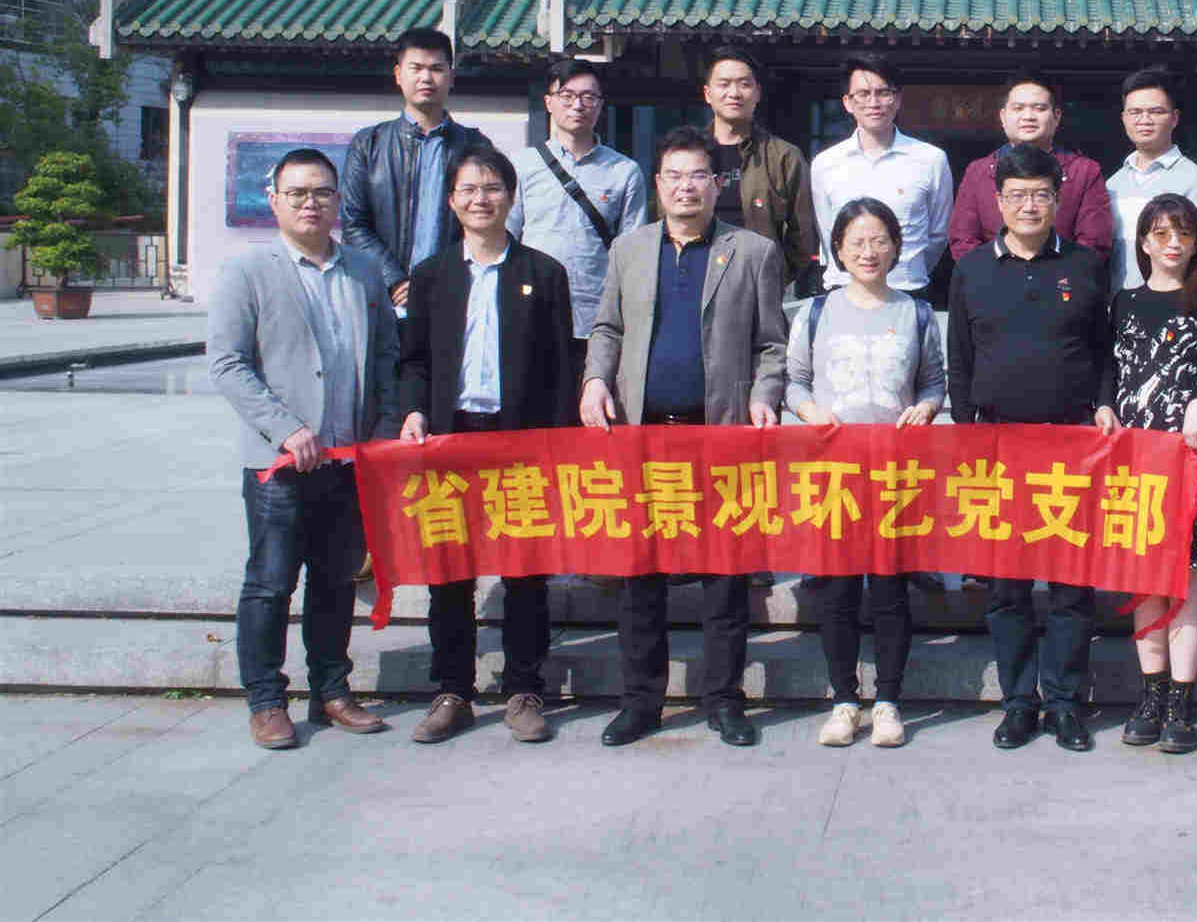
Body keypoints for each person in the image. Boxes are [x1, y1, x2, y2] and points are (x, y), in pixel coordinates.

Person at [582, 127, 787, 750]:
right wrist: (595, 379)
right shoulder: (629, 249)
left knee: (725, 577)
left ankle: (724, 700)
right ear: (657, 184)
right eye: (673, 176)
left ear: (717, 184)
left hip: (719, 436)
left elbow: (772, 344)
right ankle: (640, 701)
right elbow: (607, 327)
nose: (686, 187)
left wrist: (764, 395)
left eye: (698, 175)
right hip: (644, 438)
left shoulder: (752, 252)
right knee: (640, 577)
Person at [208, 148, 399, 750]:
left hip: (348, 460)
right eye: (297, 193)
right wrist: (285, 428)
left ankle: (332, 690)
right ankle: (266, 700)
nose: (310, 203)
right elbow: (228, 363)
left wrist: (385, 427)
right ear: (274, 201)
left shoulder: (363, 270)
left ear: (338, 200)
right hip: (281, 466)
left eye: (321, 192)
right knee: (270, 584)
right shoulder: (247, 272)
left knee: (336, 582)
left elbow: (387, 356)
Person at [398, 145, 576, 744]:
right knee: (449, 570)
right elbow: (414, 360)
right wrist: (414, 411)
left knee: (525, 571)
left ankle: (524, 689)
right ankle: (452, 690)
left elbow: (561, 368)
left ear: (510, 196)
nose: (481, 199)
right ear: (452, 201)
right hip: (450, 440)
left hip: (518, 441)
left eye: (493, 187)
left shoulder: (543, 274)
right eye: (469, 189)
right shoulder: (431, 276)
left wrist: (556, 443)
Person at [947, 143, 1112, 753]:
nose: (1029, 206)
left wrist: (1103, 404)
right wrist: (966, 429)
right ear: (997, 202)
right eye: (1017, 195)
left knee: (1071, 584)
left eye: (1041, 194)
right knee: (1006, 587)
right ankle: (1019, 702)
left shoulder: (1085, 266)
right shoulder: (972, 270)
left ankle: (1065, 703)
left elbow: (1104, 351)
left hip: (1070, 443)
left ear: (1058, 198)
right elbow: (959, 358)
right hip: (997, 445)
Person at [785, 198, 946, 750]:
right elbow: (795, 381)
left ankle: (889, 701)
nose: (868, 251)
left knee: (890, 589)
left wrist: (926, 407)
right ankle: (843, 699)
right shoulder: (815, 312)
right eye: (856, 242)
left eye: (879, 240)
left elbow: (933, 380)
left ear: (897, 247)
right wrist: (810, 411)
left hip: (895, 473)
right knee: (837, 589)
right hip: (834, 472)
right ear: (838, 250)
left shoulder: (915, 313)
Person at [1096, 195, 1197, 754]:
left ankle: (1182, 704)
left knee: (1185, 583)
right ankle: (1152, 695)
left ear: (1196, 243)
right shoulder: (1124, 302)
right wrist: (1104, 404)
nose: (1172, 243)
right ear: (1143, 242)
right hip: (1136, 465)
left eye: (1182, 233)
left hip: (1191, 466)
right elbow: (1108, 369)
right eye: (1160, 233)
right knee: (1145, 582)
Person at [506, 58, 647, 418]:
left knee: (592, 421)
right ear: (548, 102)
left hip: (596, 322)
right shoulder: (521, 166)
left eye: (588, 96)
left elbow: (634, 257)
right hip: (532, 316)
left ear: (601, 104)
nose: (577, 105)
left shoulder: (625, 171)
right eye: (566, 95)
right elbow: (506, 240)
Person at [337, 27, 491, 317]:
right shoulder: (369, 144)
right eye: (416, 68)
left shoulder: (475, 145)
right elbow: (354, 223)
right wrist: (394, 280)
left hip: (453, 298)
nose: (426, 78)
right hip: (383, 300)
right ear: (398, 74)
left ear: (451, 77)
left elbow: (484, 222)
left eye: (436, 69)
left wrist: (440, 279)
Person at [811, 52, 953, 297]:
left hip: (907, 288)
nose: (873, 102)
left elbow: (938, 235)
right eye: (863, 94)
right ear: (847, 102)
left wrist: (904, 270)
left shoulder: (931, 160)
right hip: (844, 290)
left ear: (897, 100)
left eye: (883, 93)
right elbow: (827, 233)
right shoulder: (825, 164)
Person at [948, 70, 1114, 259]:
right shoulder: (978, 171)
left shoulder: (1084, 171)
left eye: (1039, 108)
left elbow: (1094, 243)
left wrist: (1055, 272)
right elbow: (963, 240)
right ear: (1003, 117)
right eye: (1018, 108)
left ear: (1057, 116)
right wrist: (995, 271)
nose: (1028, 116)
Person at [703, 44, 819, 293]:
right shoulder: (689, 154)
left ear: (757, 93)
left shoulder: (784, 157)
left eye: (744, 84)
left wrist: (772, 278)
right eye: (724, 84)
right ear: (708, 93)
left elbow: (803, 237)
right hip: (697, 281)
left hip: (758, 288)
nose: (734, 93)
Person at [1106, 65, 1197, 290]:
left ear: (1175, 118)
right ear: (1124, 118)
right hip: (1119, 306)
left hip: (1176, 306)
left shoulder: (1196, 182)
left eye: (1156, 111)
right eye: (1135, 112)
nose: (1145, 119)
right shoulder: (1113, 185)